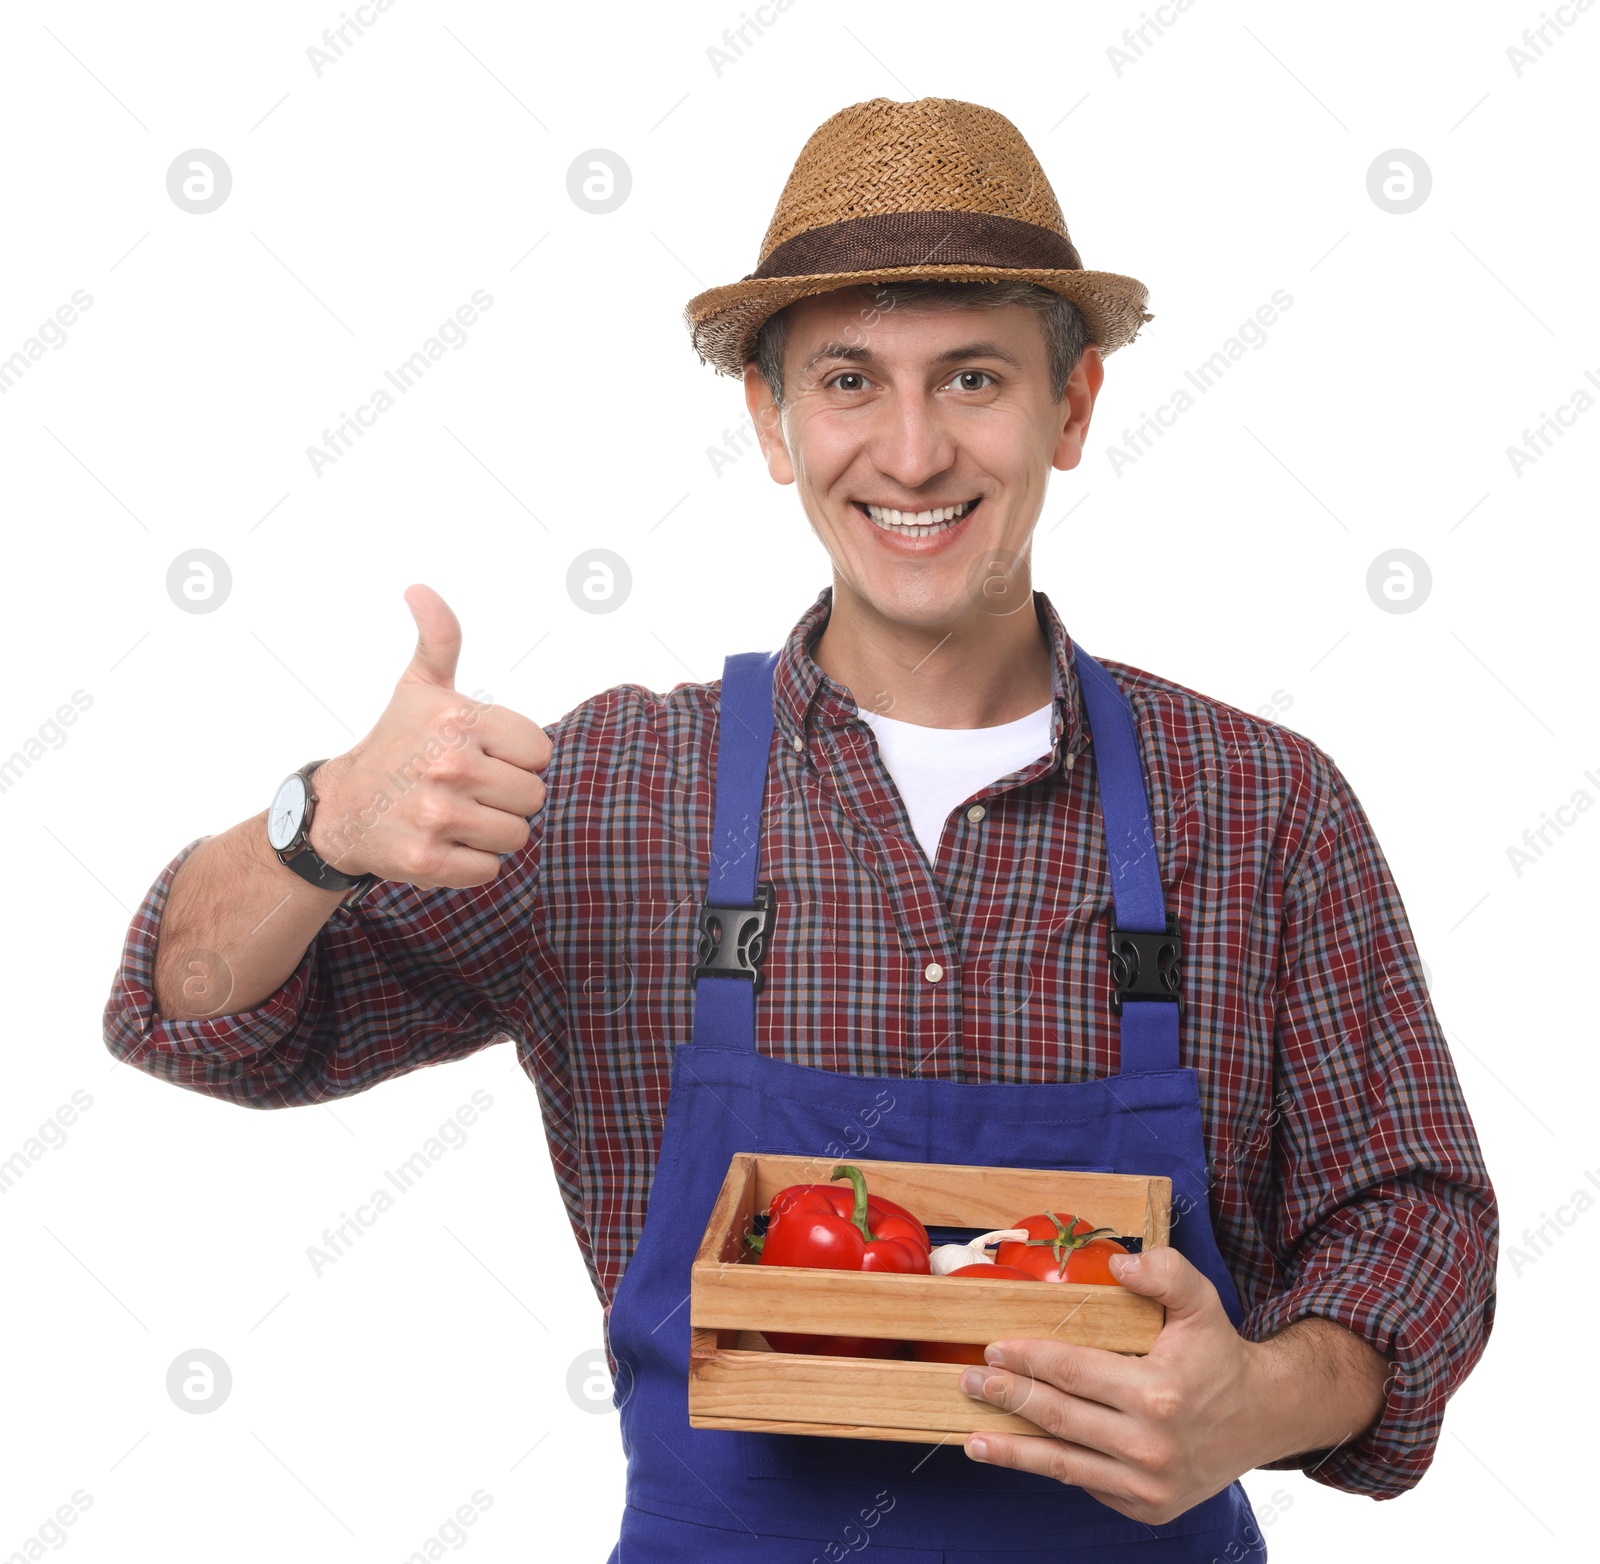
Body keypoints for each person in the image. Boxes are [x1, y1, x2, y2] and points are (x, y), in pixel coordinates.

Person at [105, 97, 1497, 1561]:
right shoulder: (616, 795)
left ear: (1072, 408)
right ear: (771, 421)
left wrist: (1260, 1400)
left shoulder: (1259, 807)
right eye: (848, 380)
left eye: (972, 378)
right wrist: (315, 829)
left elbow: (1416, 1214)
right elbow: (187, 1015)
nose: (910, 453)